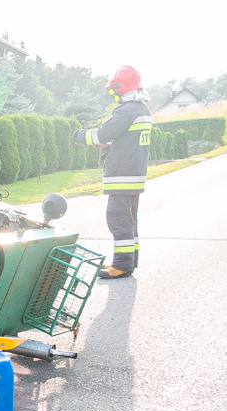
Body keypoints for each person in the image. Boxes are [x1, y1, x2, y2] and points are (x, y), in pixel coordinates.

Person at [73, 65, 151, 279]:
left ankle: (122, 265)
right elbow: (126, 140)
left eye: (116, 90)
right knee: (129, 219)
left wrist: (79, 136)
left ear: (122, 88)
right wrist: (109, 145)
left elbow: (103, 133)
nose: (115, 95)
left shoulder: (127, 110)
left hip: (122, 175)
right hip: (134, 174)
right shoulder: (142, 109)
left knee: (118, 218)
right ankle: (129, 261)